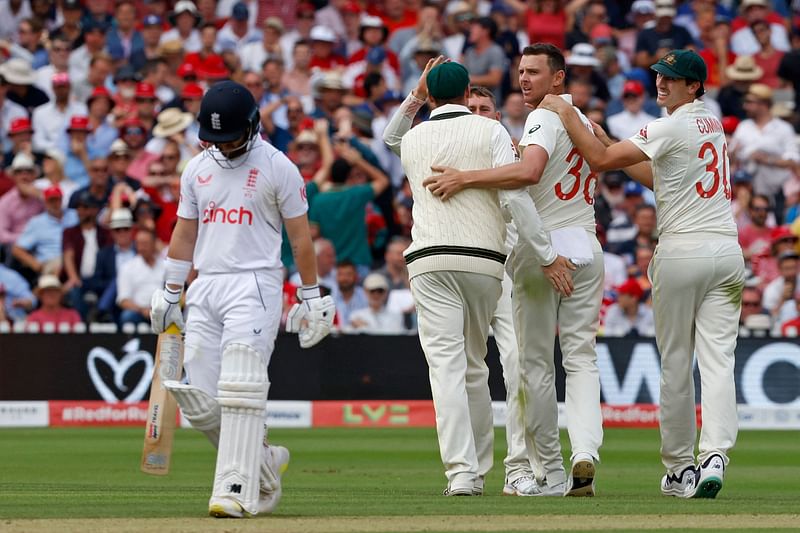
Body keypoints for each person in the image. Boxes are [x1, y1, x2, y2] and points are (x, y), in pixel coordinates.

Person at [540, 49, 746, 499]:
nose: (660, 84)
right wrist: (604, 133)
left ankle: (678, 469)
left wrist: (565, 110)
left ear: (694, 86)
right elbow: (659, 177)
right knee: (718, 362)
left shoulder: (670, 125)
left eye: (671, 79)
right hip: (727, 252)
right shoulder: (710, 123)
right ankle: (715, 454)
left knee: (675, 364)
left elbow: (598, 159)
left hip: (682, 252)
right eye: (658, 76)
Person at [421, 44, 605, 498]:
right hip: (588, 240)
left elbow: (529, 172)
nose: (524, 79)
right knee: (581, 359)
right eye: (521, 72)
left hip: (546, 245)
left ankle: (551, 471)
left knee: (535, 366)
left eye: (534, 72)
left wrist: (465, 177)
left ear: (558, 78)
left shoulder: (543, 117)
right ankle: (586, 449)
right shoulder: (585, 123)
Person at [149, 81, 334, 518]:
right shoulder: (196, 169)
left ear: (252, 126)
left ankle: (235, 490)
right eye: (216, 139)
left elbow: (300, 237)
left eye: (232, 137)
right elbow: (185, 231)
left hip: (255, 284)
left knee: (240, 389)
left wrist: (311, 296)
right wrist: (170, 289)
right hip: (207, 285)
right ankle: (265, 463)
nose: (225, 147)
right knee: (198, 398)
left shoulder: (278, 166)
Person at [384, 57, 565, 497]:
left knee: (451, 369)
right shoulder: (491, 132)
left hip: (428, 260)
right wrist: (545, 253)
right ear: (469, 95)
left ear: (430, 96)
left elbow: (391, 136)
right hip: (486, 261)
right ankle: (504, 466)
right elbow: (517, 197)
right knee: (488, 364)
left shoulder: (415, 139)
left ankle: (464, 472)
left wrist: (415, 95)